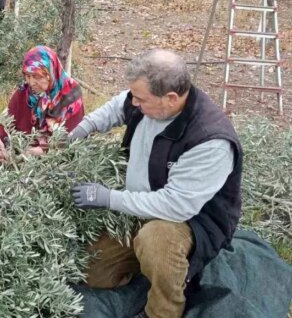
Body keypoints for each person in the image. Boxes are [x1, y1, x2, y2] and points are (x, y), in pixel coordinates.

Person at [68, 49, 243, 318]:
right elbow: (117, 107)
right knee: (93, 271)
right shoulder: (148, 103)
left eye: (141, 99)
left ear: (171, 98)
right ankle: (144, 264)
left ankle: (163, 308)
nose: (134, 103)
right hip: (141, 204)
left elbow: (175, 205)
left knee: (155, 241)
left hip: (189, 222)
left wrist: (108, 198)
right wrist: (80, 130)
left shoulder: (209, 140)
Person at [0, 45, 84, 162]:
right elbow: (6, 123)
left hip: (56, 165)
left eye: (36, 76)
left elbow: (72, 139)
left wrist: (44, 151)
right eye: (28, 76)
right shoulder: (23, 93)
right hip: (20, 161)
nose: (31, 82)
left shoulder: (71, 96)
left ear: (50, 72)